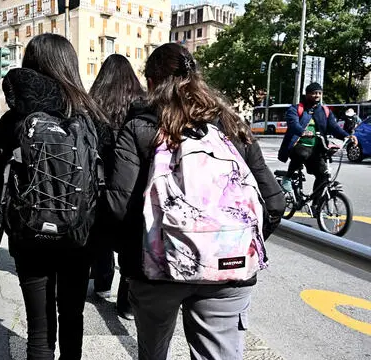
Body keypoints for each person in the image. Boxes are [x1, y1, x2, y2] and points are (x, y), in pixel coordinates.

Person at [105, 43, 285, 360]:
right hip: (229, 270)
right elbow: (274, 202)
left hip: (156, 272)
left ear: (151, 83)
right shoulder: (232, 126)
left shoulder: (139, 129)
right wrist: (232, 242)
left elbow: (120, 208)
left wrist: (136, 256)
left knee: (152, 353)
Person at [0, 33, 106, 360]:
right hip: (80, 234)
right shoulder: (89, 115)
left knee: (38, 328)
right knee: (72, 316)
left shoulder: (15, 118)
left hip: (29, 233)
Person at [87, 54, 145, 320]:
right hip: (130, 181)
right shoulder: (140, 102)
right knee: (131, 239)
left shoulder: (93, 102)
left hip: (98, 179)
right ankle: (127, 303)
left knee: (100, 233)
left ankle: (101, 283)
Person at [278, 83, 358, 195]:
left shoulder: (324, 111)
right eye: (314, 93)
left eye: (319, 93)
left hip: (316, 150)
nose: (317, 95)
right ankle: (287, 177)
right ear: (307, 94)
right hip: (298, 146)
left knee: (323, 176)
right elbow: (293, 124)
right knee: (303, 153)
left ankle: (317, 206)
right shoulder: (296, 109)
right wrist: (302, 132)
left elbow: (334, 127)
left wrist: (347, 136)